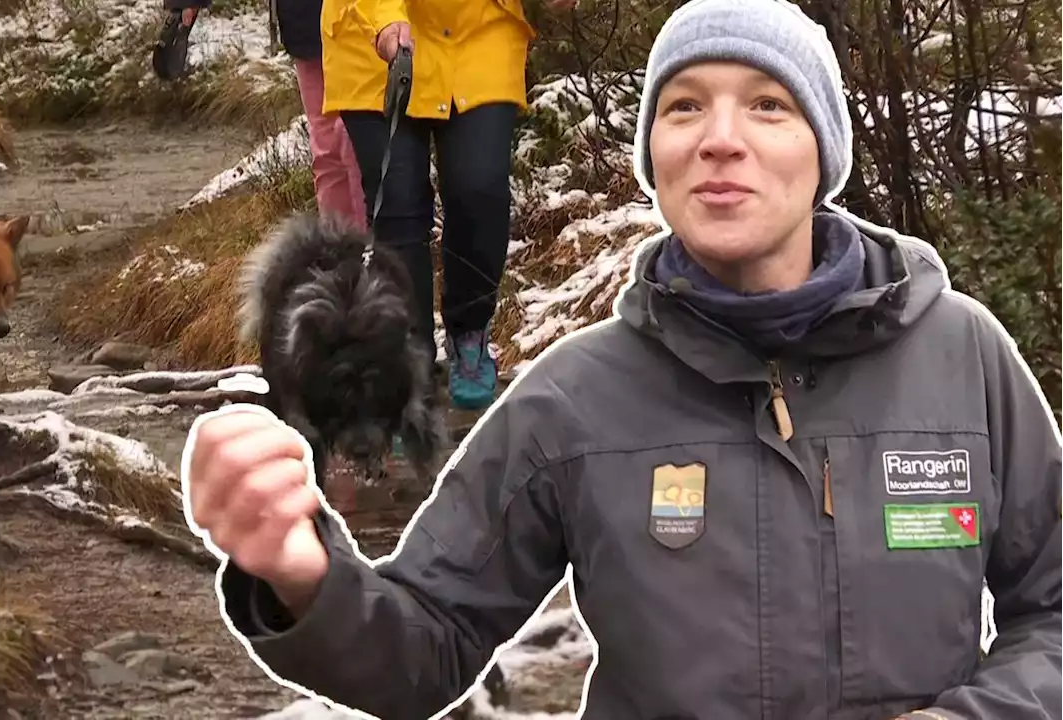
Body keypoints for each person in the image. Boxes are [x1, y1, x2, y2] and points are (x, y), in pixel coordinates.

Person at [185, 0, 1063, 718]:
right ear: (657, 157)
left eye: (769, 104)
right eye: (685, 107)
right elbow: (426, 649)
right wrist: (303, 572)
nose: (721, 137)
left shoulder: (963, 355)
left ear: (822, 152)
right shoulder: (573, 400)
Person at [317, 0, 578, 411]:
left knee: (480, 188)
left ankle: (470, 329)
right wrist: (385, 22)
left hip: (479, 31)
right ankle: (407, 359)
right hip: (371, 38)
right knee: (398, 207)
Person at [275, 0, 367, 230]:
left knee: (351, 142)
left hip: (359, 24)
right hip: (311, 26)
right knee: (332, 145)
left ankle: (362, 247)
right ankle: (348, 248)